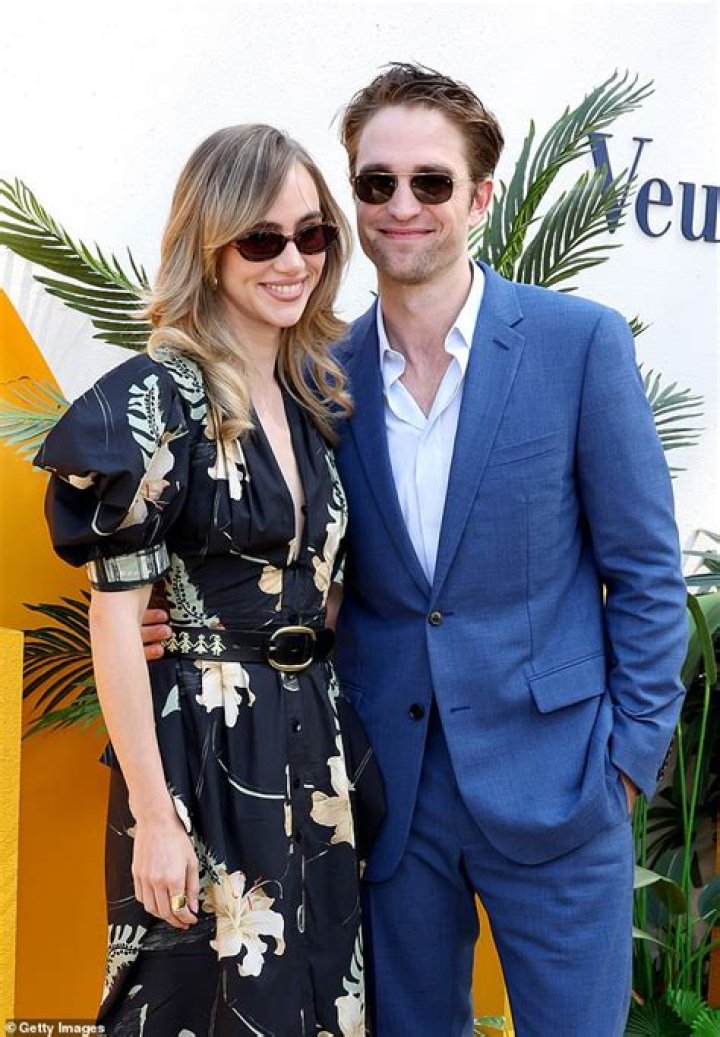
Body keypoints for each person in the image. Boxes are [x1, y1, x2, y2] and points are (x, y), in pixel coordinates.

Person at [142, 66, 688, 1036]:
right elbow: (296, 561)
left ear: (478, 197)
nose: (402, 204)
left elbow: (646, 572)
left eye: (430, 181)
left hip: (563, 783)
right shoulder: (317, 376)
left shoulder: (578, 345)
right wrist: (184, 620)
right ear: (353, 199)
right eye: (376, 182)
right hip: (388, 795)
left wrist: (627, 760)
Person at [34, 123, 377, 1036]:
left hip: (310, 745)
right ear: (209, 246)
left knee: (310, 999)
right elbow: (116, 620)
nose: (293, 261)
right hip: (198, 752)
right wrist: (153, 815)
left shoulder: (313, 396)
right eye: (262, 240)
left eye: (312, 234)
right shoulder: (154, 398)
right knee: (189, 1001)